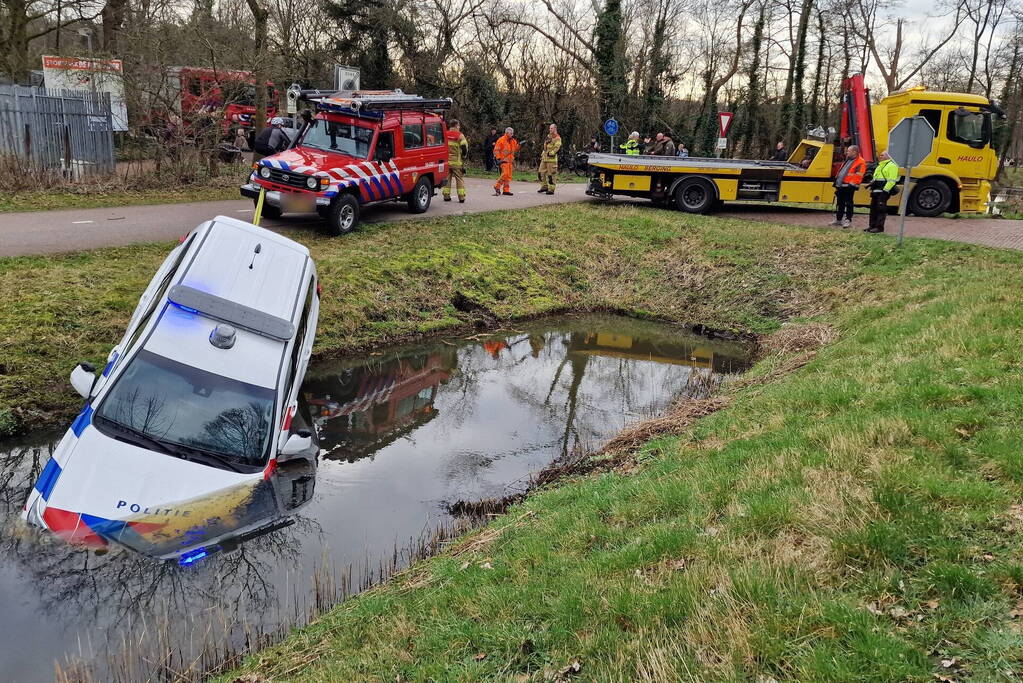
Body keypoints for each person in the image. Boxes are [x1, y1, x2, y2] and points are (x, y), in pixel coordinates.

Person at [830, 144, 867, 228]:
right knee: (840, 203)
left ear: (854, 152)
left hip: (849, 186)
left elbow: (859, 175)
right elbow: (842, 172)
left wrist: (851, 185)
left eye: (849, 151)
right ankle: (839, 219)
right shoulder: (848, 159)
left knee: (849, 203)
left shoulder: (860, 162)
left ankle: (848, 220)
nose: (847, 152)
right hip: (841, 185)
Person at [866, 150, 900, 233]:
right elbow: (875, 178)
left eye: (882, 155)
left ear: (888, 156)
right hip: (876, 191)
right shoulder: (880, 166)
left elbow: (891, 181)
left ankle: (879, 228)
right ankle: (872, 226)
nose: (879, 157)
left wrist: (885, 191)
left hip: (883, 192)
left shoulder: (892, 166)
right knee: (873, 209)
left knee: (881, 209)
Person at [443, 119, 469, 203]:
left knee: (447, 178)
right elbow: (464, 147)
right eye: (459, 125)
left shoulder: (445, 134)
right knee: (459, 179)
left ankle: (446, 196)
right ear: (456, 125)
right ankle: (461, 197)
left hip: (447, 161)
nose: (459, 127)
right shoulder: (460, 135)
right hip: (457, 162)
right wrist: (464, 156)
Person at [492, 127, 520, 196]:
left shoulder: (513, 141)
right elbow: (496, 150)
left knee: (508, 176)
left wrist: (519, 145)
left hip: (510, 161)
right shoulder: (501, 140)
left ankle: (506, 190)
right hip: (503, 161)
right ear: (507, 133)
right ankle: (497, 186)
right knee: (505, 175)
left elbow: (515, 149)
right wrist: (498, 158)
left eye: (513, 133)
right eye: (511, 133)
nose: (512, 135)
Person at [537, 123, 562, 195]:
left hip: (552, 159)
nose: (550, 129)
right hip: (544, 158)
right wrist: (543, 153)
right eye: (549, 128)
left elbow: (557, 147)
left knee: (551, 175)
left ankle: (551, 189)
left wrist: (552, 153)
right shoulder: (548, 136)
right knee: (540, 172)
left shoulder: (558, 138)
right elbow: (545, 146)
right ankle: (544, 186)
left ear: (555, 129)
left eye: (551, 128)